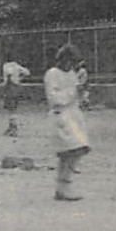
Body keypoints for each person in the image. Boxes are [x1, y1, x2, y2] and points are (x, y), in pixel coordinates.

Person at [45, 44, 90, 202]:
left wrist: (82, 94)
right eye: (68, 61)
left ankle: (63, 186)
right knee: (69, 151)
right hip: (61, 117)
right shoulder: (52, 74)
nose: (70, 65)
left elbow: (76, 95)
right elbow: (54, 98)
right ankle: (63, 188)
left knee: (80, 149)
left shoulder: (72, 74)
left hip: (74, 116)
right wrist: (73, 92)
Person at [2, 59, 30, 136]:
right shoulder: (17, 66)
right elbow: (27, 72)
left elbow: (9, 76)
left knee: (11, 109)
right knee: (13, 109)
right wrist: (20, 79)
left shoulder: (6, 66)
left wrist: (6, 87)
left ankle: (14, 129)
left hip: (10, 88)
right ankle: (11, 127)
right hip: (16, 87)